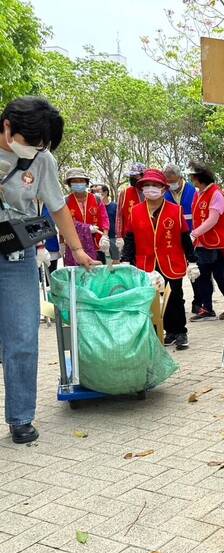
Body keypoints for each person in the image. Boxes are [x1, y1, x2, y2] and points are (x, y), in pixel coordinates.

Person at [0, 96, 98, 444]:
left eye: (42, 147)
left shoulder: (42, 159)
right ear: (7, 127)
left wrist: (77, 250)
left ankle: (21, 417)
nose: (34, 152)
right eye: (30, 143)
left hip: (16, 255)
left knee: (23, 338)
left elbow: (58, 208)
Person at [120, 169, 198, 350]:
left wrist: (192, 261)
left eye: (155, 185)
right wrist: (125, 259)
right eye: (146, 185)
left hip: (171, 260)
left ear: (164, 189)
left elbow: (185, 237)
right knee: (153, 299)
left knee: (175, 297)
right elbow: (130, 238)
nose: (150, 189)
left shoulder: (175, 210)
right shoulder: (136, 211)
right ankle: (160, 332)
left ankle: (179, 332)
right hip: (146, 262)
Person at [186, 161, 224, 321]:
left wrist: (194, 233)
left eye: (193, 177)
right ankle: (207, 308)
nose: (192, 181)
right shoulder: (198, 193)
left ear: (199, 178)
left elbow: (213, 219)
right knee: (203, 277)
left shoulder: (216, 194)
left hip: (216, 244)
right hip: (202, 243)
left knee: (220, 277)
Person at [163, 164, 200, 314]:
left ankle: (199, 302)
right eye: (168, 181)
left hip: (192, 237)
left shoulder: (193, 191)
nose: (171, 184)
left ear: (180, 178)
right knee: (174, 273)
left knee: (195, 272)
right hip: (171, 239)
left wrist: (195, 234)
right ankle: (175, 302)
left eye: (173, 181)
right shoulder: (164, 193)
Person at [64, 168, 110, 262]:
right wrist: (87, 228)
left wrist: (105, 236)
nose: (78, 183)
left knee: (96, 271)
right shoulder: (66, 201)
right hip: (75, 243)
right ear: (69, 184)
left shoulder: (96, 199)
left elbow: (104, 218)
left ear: (86, 182)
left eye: (81, 181)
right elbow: (65, 223)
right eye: (74, 181)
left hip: (96, 243)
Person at [116, 162, 145, 255]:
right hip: (129, 238)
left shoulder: (151, 191)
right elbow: (119, 216)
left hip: (148, 237)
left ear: (143, 176)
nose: (132, 179)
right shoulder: (124, 193)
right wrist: (119, 236)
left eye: (135, 176)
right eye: (131, 176)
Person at [92, 184, 117, 262]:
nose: (95, 193)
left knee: (114, 261)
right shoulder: (94, 206)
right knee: (101, 261)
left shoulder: (114, 206)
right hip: (98, 239)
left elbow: (118, 221)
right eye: (94, 191)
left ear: (105, 192)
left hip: (112, 238)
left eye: (98, 191)